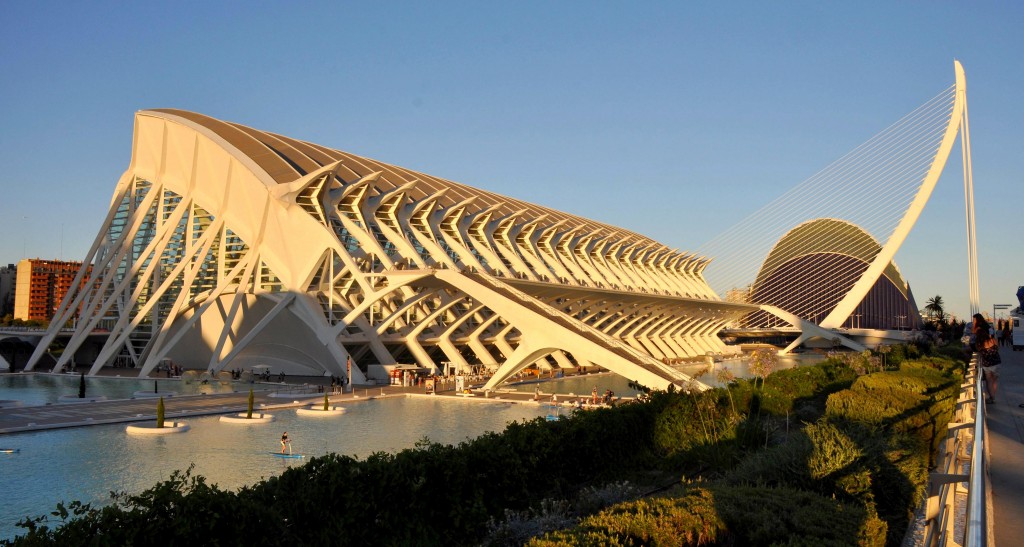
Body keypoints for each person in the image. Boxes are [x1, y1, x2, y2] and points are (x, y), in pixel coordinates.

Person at [976, 329, 1001, 404]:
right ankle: (993, 396)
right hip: (996, 363)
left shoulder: (980, 343)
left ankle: (992, 398)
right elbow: (997, 349)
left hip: (987, 365)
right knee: (994, 381)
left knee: (989, 381)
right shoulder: (993, 340)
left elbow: (978, 352)